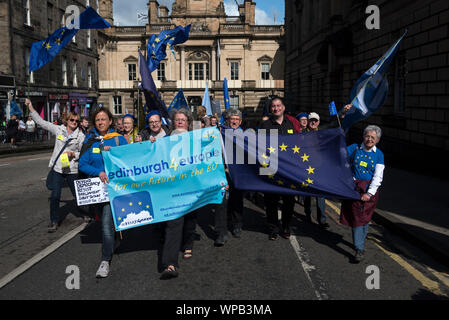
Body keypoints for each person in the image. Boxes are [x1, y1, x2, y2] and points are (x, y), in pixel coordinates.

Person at [78, 107, 128, 278]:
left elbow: (130, 160)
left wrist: (114, 154)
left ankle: (105, 261)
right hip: (98, 191)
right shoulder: (91, 141)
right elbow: (82, 165)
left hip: (114, 190)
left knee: (106, 224)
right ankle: (115, 239)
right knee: (104, 221)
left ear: (110, 121)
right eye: (97, 120)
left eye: (103, 119)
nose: (100, 122)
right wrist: (98, 173)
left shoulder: (119, 140)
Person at [26, 98, 85, 233]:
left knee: (78, 194)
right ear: (67, 120)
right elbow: (42, 123)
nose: (74, 123)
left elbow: (83, 153)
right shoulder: (59, 130)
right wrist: (30, 106)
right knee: (55, 196)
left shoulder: (80, 136)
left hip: (71, 169)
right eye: (72, 120)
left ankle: (85, 213)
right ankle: (54, 221)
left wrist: (74, 155)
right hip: (59, 168)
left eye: (76, 121)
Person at [160, 108, 196, 279]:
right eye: (177, 120)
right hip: (172, 190)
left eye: (183, 119)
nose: (180, 122)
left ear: (188, 123)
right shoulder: (164, 141)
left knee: (189, 220)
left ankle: (188, 243)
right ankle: (170, 264)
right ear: (172, 123)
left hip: (192, 188)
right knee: (173, 224)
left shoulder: (196, 140)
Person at [340, 125, 385, 263]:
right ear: (363, 136)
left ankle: (360, 243)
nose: (369, 139)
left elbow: (377, 177)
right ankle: (359, 248)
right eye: (367, 136)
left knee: (365, 217)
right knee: (357, 218)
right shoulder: (354, 148)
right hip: (354, 189)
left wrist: (369, 194)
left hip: (370, 191)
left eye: (373, 137)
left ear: (377, 140)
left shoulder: (379, 154)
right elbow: (339, 154)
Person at [304, 105, 352, 229]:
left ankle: (322, 219)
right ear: (308, 122)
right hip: (306, 169)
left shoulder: (322, 131)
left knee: (321, 195)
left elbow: (334, 123)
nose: (313, 122)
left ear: (318, 122)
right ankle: (307, 215)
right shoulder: (301, 134)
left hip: (320, 169)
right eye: (311, 120)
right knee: (307, 194)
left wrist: (343, 112)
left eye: (315, 120)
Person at [259, 96, 297, 240]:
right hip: (270, 168)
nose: (276, 108)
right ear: (270, 109)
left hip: (288, 169)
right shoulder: (265, 125)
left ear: (283, 107)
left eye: (278, 105)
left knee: (289, 201)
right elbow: (260, 147)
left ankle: (286, 226)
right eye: (273, 106)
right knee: (271, 202)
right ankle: (273, 228)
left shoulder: (291, 124)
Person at [224, 109, 244, 238]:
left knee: (237, 200)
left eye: (237, 119)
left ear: (240, 121)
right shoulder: (221, 133)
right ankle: (224, 224)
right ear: (228, 120)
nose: (234, 121)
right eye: (232, 119)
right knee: (223, 200)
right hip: (224, 171)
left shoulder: (247, 135)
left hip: (239, 173)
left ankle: (237, 225)